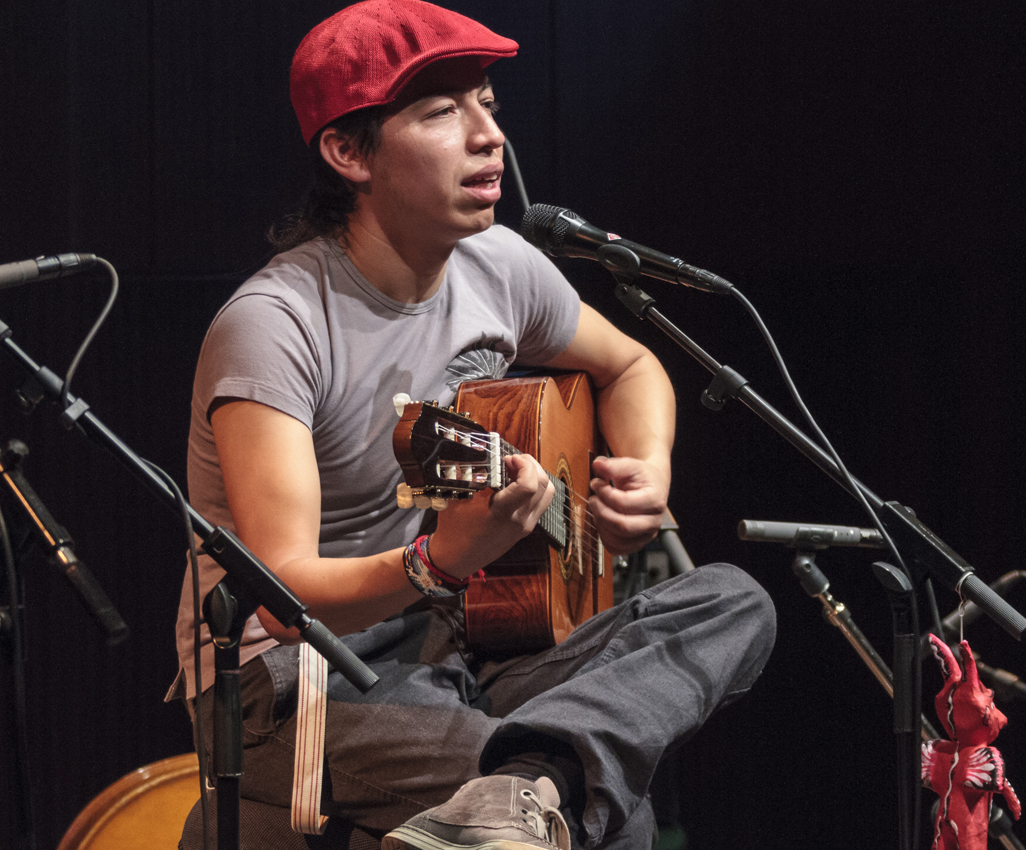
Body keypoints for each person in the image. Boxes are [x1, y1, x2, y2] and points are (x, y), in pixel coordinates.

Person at [171, 2, 776, 848]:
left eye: (487, 102)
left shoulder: (499, 268)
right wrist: (440, 558)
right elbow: (281, 597)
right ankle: (536, 777)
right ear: (349, 152)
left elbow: (633, 366)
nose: (489, 134)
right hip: (291, 686)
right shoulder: (276, 324)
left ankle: (531, 777)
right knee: (614, 815)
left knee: (732, 602)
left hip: (464, 644)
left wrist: (648, 466)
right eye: (441, 112)